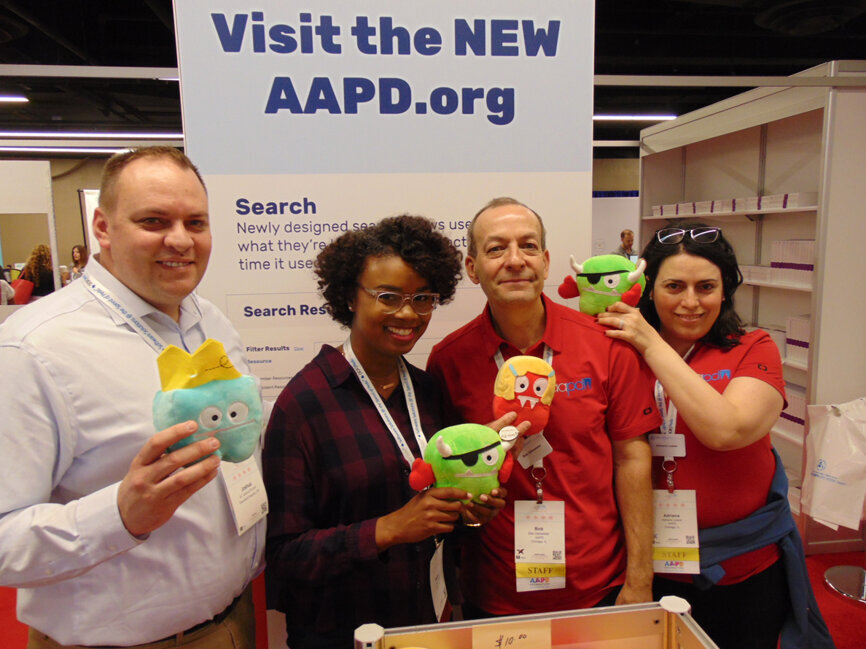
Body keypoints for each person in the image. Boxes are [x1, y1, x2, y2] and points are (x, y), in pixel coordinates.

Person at [0, 146, 263, 649]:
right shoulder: (33, 349)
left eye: (195, 222)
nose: (180, 239)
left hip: (232, 622)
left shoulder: (210, 322)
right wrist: (120, 516)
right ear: (103, 227)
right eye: (153, 221)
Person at [263, 215, 521, 649]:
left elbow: (442, 512)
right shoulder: (303, 404)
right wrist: (388, 529)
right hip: (341, 632)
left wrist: (471, 512)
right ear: (350, 296)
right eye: (388, 297)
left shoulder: (428, 391)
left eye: (423, 298)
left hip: (426, 621)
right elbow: (284, 555)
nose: (407, 313)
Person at [597, 223, 834, 649]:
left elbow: (728, 430)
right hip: (641, 564)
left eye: (706, 287)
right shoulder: (617, 349)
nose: (690, 302)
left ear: (726, 291)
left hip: (744, 568)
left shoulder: (753, 346)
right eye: (674, 286)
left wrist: (651, 344)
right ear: (648, 289)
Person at [427, 197, 660, 618]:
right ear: (472, 268)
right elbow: (447, 478)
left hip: (600, 585)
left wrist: (641, 577)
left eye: (529, 246)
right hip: (495, 592)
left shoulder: (606, 344)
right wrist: (471, 511)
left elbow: (632, 457)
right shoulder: (449, 361)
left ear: (547, 262)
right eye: (497, 248)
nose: (516, 260)